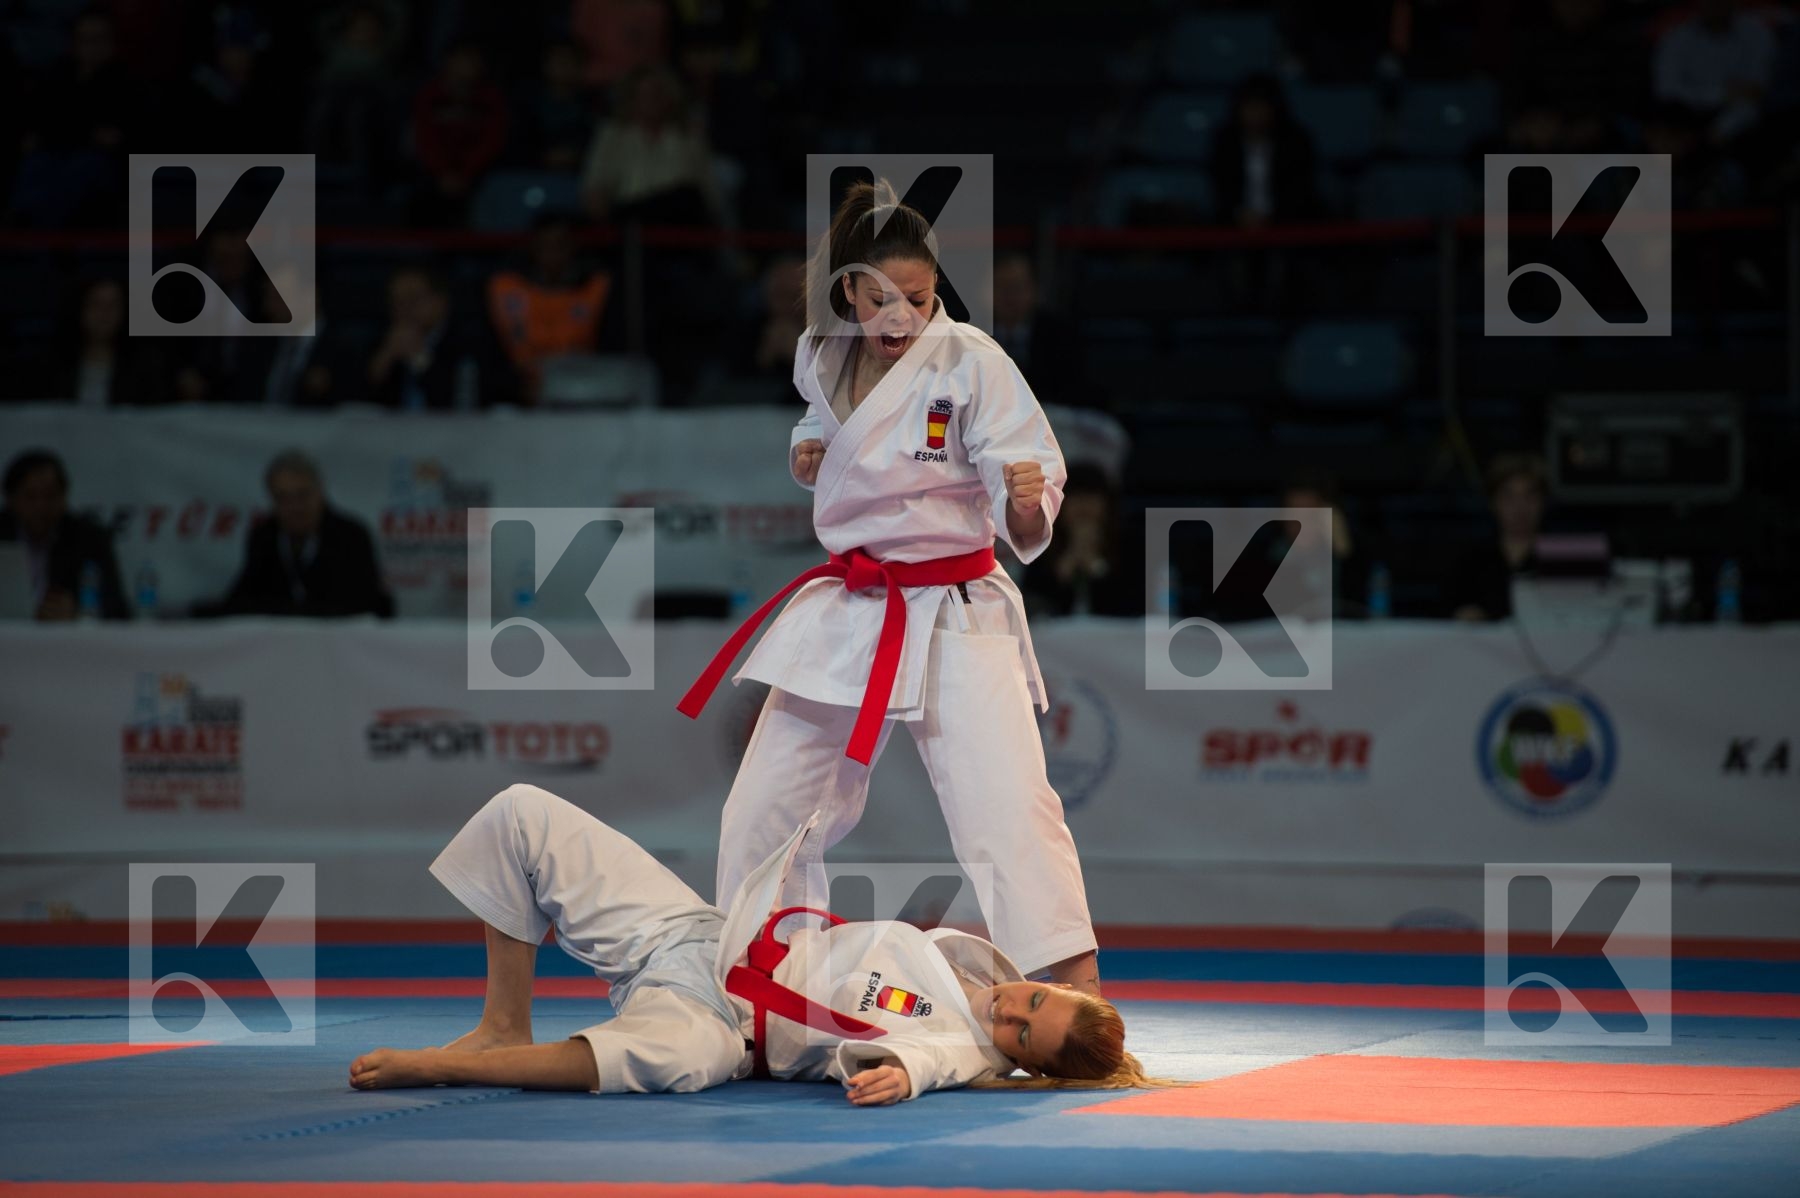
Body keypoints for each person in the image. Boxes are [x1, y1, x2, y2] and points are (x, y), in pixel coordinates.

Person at [678, 180, 1102, 998]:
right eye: (882, 299)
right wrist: (806, 451)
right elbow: (821, 426)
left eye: (919, 297)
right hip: (851, 604)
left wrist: (1022, 497)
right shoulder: (820, 351)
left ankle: (1079, 993)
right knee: (766, 807)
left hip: (954, 602)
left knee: (1005, 805)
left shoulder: (972, 360)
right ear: (848, 292)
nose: (902, 316)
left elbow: (1031, 467)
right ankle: (763, 985)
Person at [349, 784, 1166, 1099]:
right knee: (521, 814)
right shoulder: (975, 963)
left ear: (1021, 1063)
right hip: (701, 936)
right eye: (1036, 1000)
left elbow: (937, 1058)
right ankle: (502, 1022)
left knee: (668, 1064)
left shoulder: (960, 1045)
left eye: (1023, 1038)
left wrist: (907, 1077)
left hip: (722, 1027)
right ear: (1057, 985)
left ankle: (458, 1064)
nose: (1010, 1014)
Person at [203, 450, 394, 618]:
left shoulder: (351, 537)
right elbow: (244, 599)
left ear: (320, 491)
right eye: (283, 498)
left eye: (302, 495)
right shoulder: (264, 537)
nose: (295, 507)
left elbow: (361, 604)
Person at [486, 212, 611, 403]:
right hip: (520, 391)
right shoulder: (506, 286)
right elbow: (502, 350)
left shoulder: (596, 286)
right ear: (532, 247)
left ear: (573, 247)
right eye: (544, 246)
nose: (552, 253)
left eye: (560, 245)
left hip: (583, 390)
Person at [579, 63, 721, 226]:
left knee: (686, 197)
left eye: (658, 94)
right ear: (631, 98)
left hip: (681, 221)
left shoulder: (688, 136)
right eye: (643, 94)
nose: (652, 101)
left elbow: (708, 188)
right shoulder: (613, 135)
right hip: (632, 220)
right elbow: (595, 184)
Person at [0, 449, 130, 620]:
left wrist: (78, 613)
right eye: (30, 496)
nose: (41, 506)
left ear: (64, 496)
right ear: (11, 499)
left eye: (49, 496)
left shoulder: (89, 538)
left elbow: (118, 610)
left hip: (68, 640)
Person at [1021, 464, 1140, 618]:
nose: (1083, 505)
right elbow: (1033, 608)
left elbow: (1133, 607)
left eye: (1091, 496)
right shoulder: (1040, 547)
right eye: (1075, 497)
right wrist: (1066, 567)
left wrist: (1096, 566)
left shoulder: (1129, 548)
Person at [1448, 454, 1548, 622]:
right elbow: (1451, 609)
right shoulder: (1470, 560)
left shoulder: (1563, 557)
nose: (1520, 507)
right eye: (1509, 497)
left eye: (1529, 496)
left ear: (1543, 501)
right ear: (1493, 502)